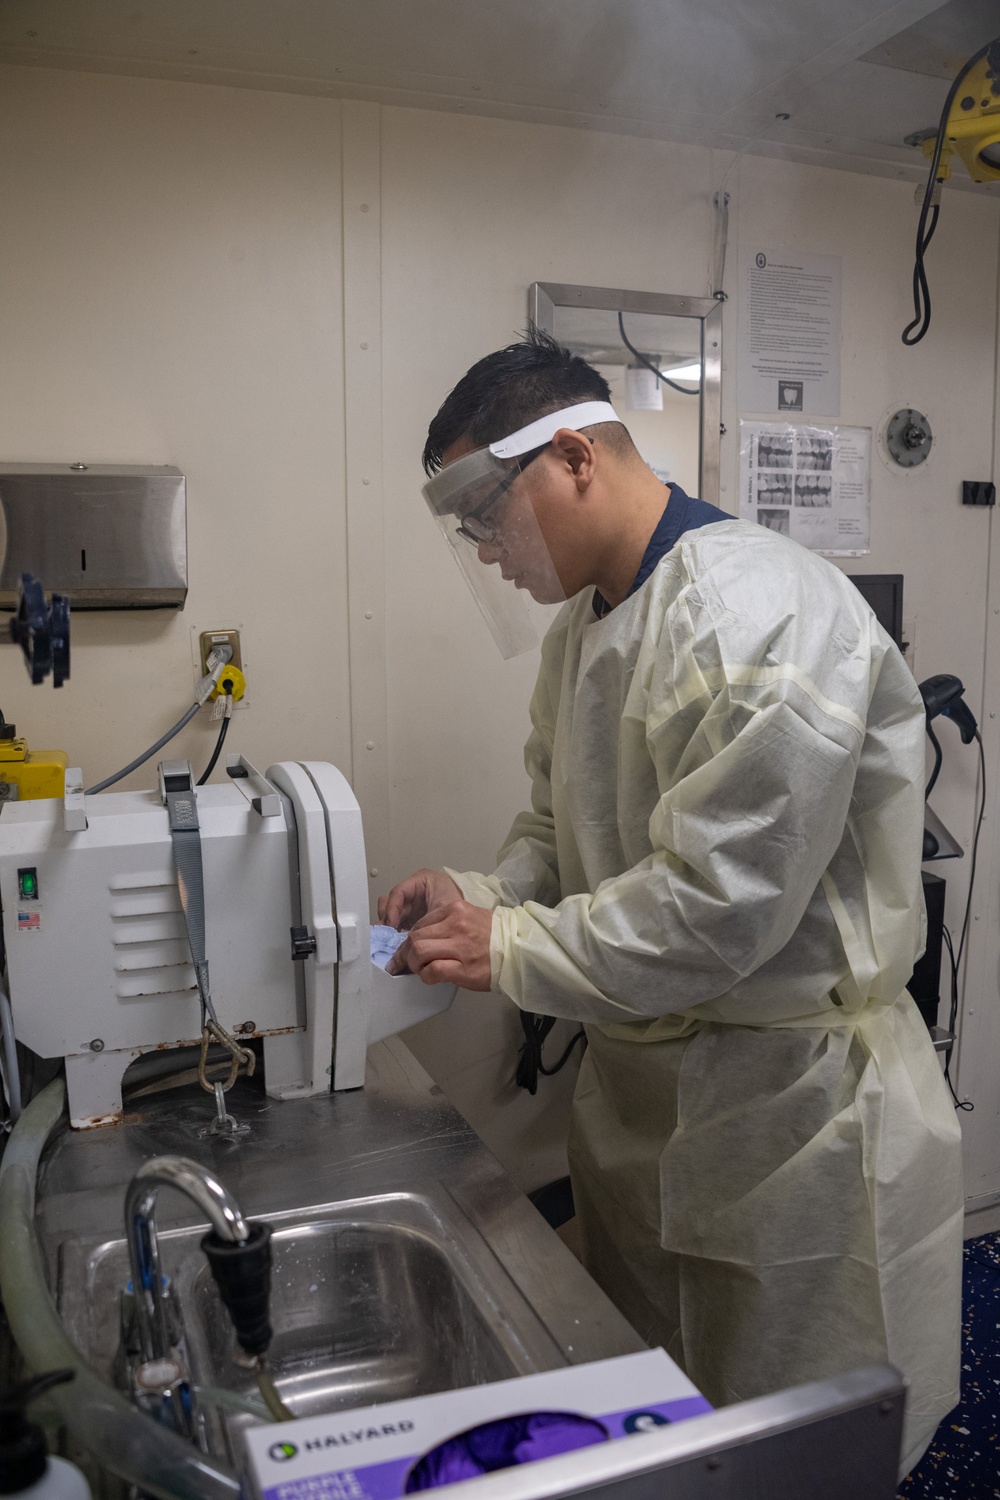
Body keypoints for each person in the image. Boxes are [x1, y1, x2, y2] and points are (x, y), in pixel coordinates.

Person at [379, 329, 963, 1476]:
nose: (484, 550)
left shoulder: (760, 620)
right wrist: (478, 896)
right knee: (664, 1416)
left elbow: (714, 912)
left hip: (793, 1125)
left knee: (799, 1442)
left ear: (578, 459)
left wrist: (509, 944)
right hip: (652, 1106)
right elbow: (560, 834)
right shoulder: (586, 630)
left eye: (488, 515)